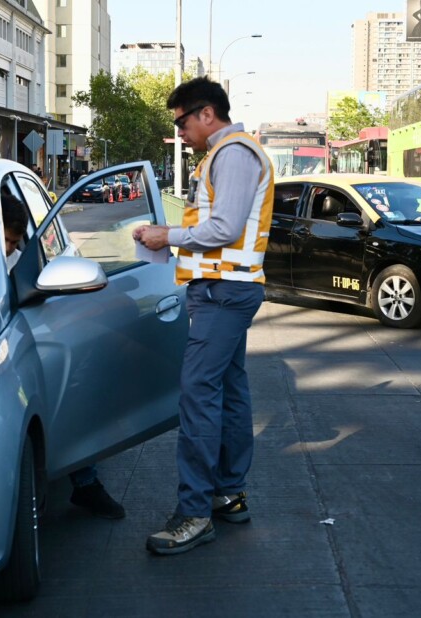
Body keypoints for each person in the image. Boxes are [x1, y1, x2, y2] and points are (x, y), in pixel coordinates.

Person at [133, 77, 274, 555]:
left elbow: (225, 227)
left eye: (181, 122)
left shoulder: (233, 153)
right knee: (229, 389)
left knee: (198, 395)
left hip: (224, 292)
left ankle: (194, 514)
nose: (180, 132)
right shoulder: (225, 154)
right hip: (225, 288)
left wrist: (166, 236)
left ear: (207, 114)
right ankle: (227, 493)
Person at [0, 193, 125, 520]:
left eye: (14, 242)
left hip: (28, 340)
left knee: (73, 390)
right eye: (6, 240)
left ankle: (86, 482)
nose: (10, 248)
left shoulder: (22, 261)